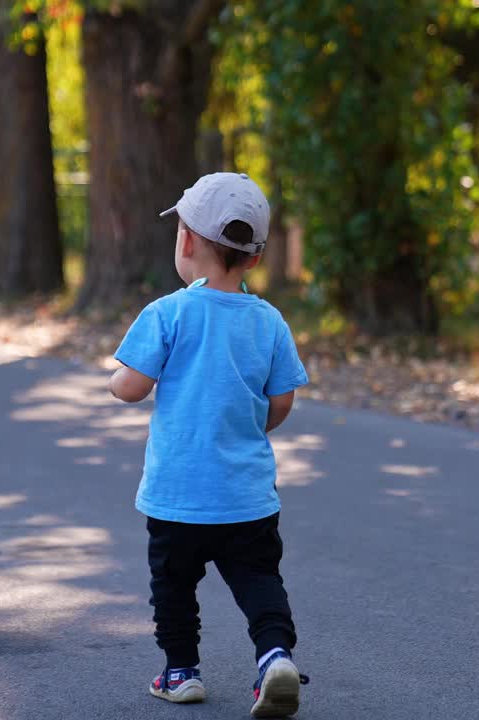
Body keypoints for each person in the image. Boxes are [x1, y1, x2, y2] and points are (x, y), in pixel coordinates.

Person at [108, 173, 310, 718]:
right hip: (245, 496)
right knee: (259, 580)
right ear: (255, 256)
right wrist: (246, 429)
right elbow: (282, 401)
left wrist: (117, 376)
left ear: (189, 242)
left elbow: (130, 388)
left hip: (177, 496)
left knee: (173, 586)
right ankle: (274, 657)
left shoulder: (168, 313)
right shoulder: (269, 321)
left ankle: (181, 672)